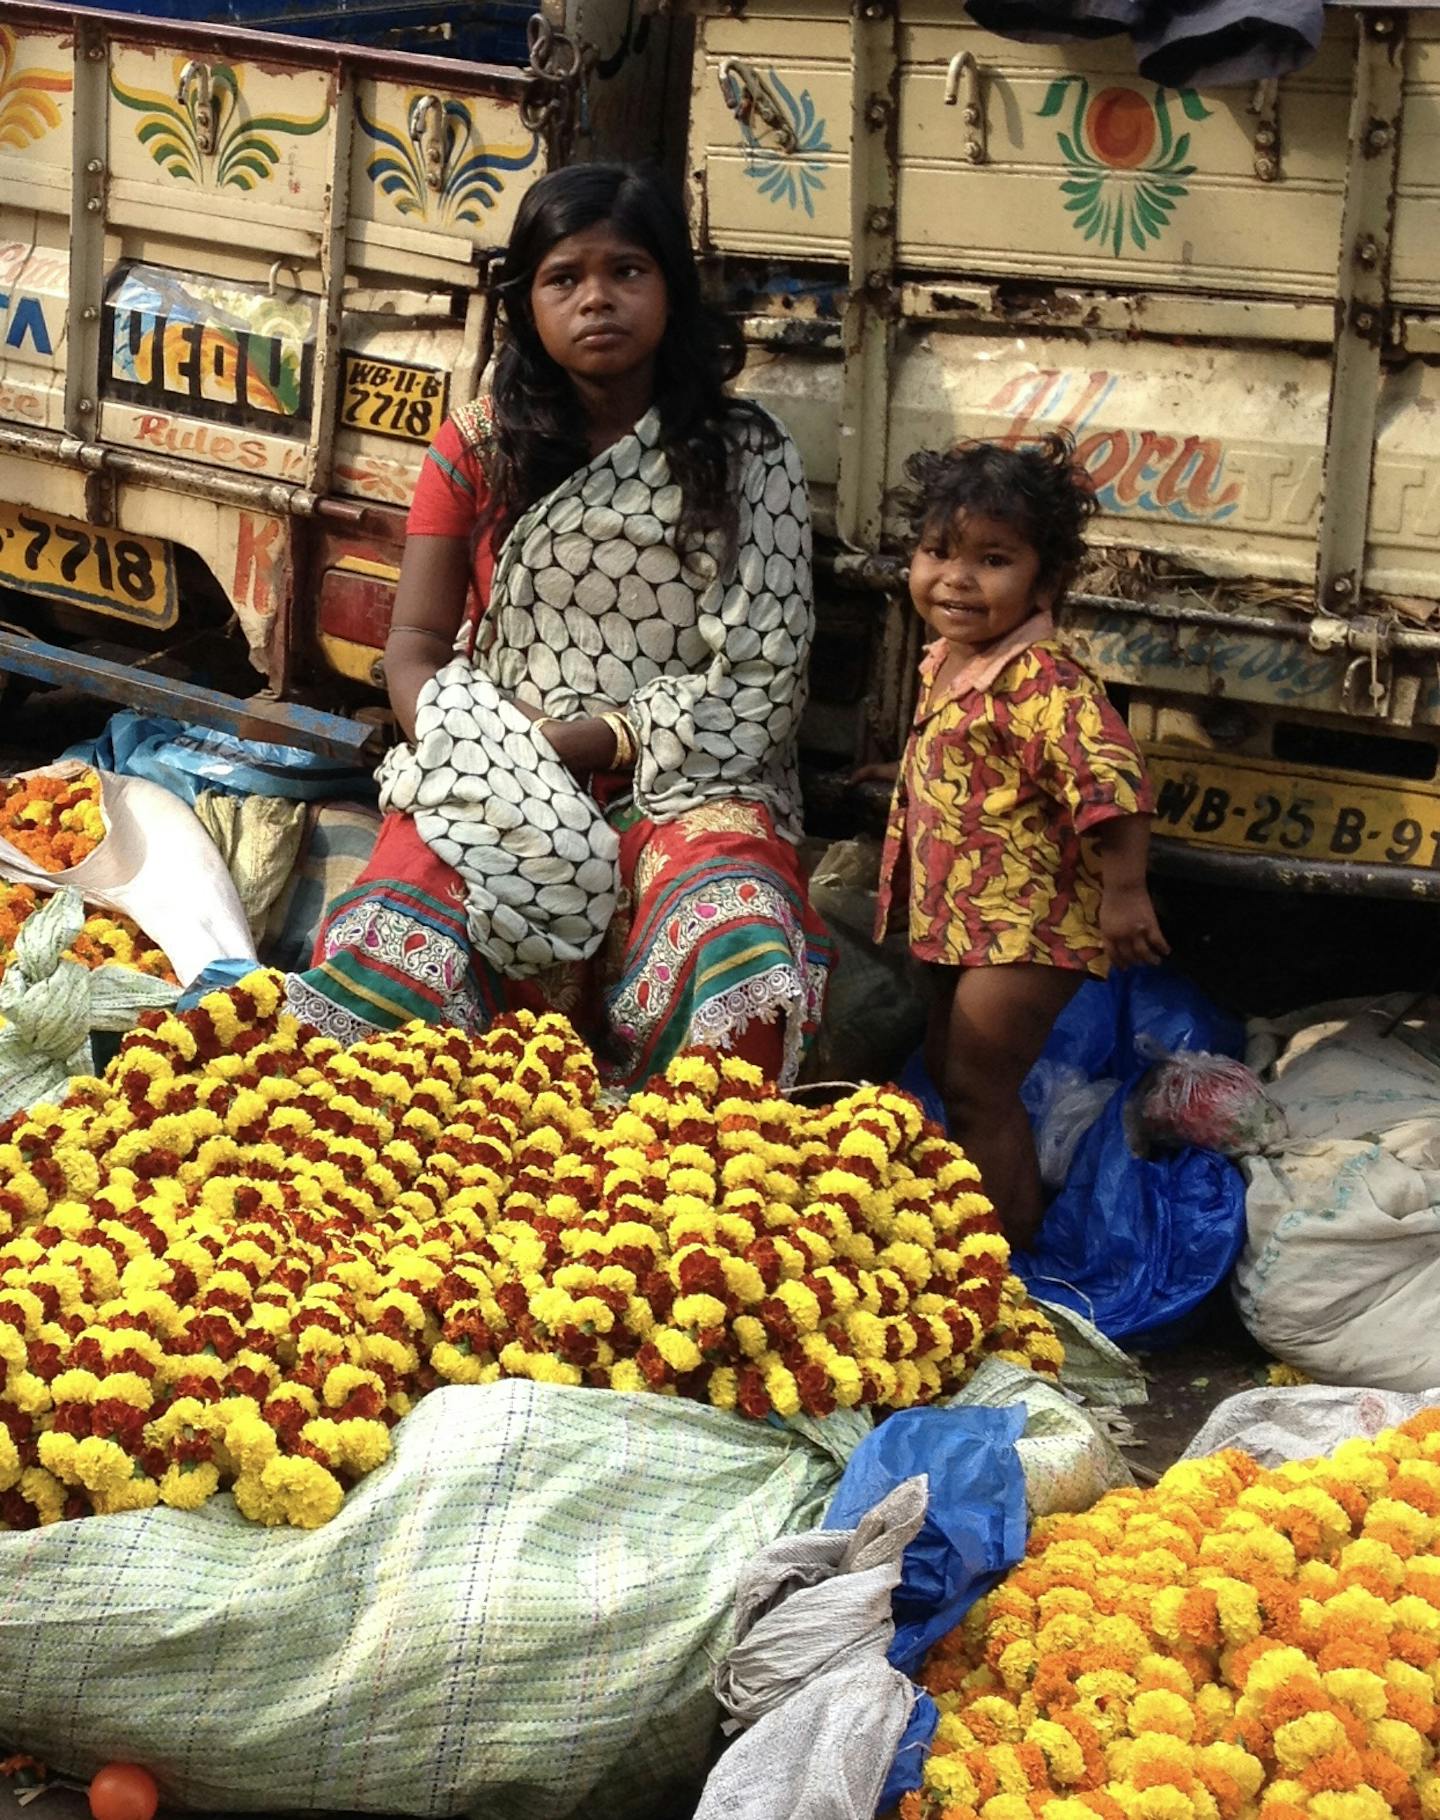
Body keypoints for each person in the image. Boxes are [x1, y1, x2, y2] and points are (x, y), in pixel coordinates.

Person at [285, 164, 833, 1086]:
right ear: (526, 303)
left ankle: (701, 1179)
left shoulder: (748, 453)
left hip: (689, 773)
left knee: (729, 928)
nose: (597, 300)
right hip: (501, 757)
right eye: (564, 278)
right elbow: (413, 649)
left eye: (627, 272)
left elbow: (763, 682)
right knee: (401, 926)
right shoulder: (477, 442)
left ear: (671, 291)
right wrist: (484, 757)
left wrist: (594, 741)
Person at [863, 435, 1167, 1244]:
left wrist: (1125, 893)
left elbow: (1113, 782)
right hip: (965, 918)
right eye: (937, 552)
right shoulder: (956, 659)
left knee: (978, 1089)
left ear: (1048, 579)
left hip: (1025, 928)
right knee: (951, 1067)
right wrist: (909, 771)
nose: (956, 579)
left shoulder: (1046, 682)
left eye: (993, 560)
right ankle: (978, 1227)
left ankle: (1005, 1249)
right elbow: (983, 760)